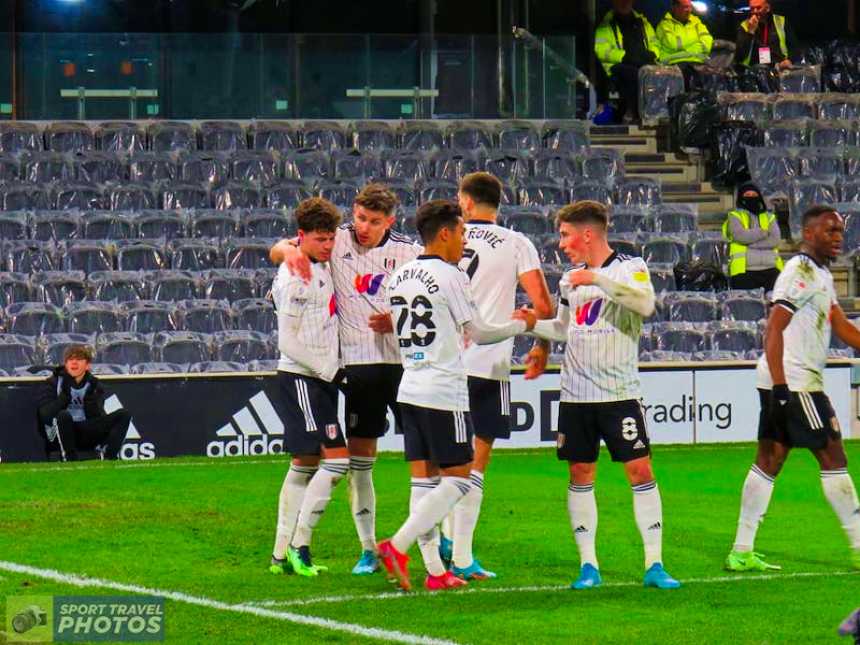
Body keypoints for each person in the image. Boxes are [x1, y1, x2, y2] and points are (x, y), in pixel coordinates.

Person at [515, 200, 680, 590]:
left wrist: (599, 281)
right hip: (576, 394)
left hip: (620, 393)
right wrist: (532, 326)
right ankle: (589, 566)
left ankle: (654, 564)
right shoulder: (569, 279)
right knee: (580, 472)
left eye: (566, 234)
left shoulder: (630, 266)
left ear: (587, 234)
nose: (561, 243)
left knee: (640, 470)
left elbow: (645, 304)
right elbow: (564, 329)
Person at [376, 200, 535, 592]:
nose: (464, 240)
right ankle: (397, 545)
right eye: (462, 232)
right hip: (444, 390)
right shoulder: (450, 275)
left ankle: (434, 572)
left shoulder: (401, 274)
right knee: (460, 480)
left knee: (424, 483)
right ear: (444, 233)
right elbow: (478, 333)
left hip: (409, 387)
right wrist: (520, 323)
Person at [269, 183, 420, 576]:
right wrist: (286, 251)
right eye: (359, 218)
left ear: (390, 220)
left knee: (429, 460)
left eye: (373, 221)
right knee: (358, 463)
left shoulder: (409, 251)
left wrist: (398, 319)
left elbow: (434, 299)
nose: (363, 227)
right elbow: (285, 247)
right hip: (358, 368)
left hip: (406, 365)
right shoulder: (335, 242)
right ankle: (368, 548)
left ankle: (443, 548)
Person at [726, 206, 860, 572]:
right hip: (795, 381)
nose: (837, 238)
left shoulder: (820, 274)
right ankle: (859, 544)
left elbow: (839, 324)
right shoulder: (798, 272)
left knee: (770, 460)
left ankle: (741, 549)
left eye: (840, 232)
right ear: (809, 232)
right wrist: (783, 387)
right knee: (834, 457)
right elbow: (773, 329)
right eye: (830, 231)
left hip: (782, 379)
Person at [436, 172, 554, 580]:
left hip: (445, 364)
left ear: (466, 203)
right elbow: (541, 304)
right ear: (497, 203)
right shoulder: (516, 242)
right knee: (476, 462)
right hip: (488, 364)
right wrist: (541, 346)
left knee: (444, 462)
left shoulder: (445, 238)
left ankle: (442, 544)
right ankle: (463, 557)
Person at [268, 197, 350, 578]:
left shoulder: (314, 262)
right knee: (337, 461)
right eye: (321, 240)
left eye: (331, 238)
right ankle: (300, 545)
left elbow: (280, 248)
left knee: (304, 464)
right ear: (302, 237)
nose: (329, 246)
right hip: (303, 377)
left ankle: (280, 555)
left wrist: (286, 249)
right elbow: (287, 341)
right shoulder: (296, 275)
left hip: (318, 377)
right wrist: (330, 370)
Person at [37, 345, 131, 462]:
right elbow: (45, 415)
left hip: (86, 429)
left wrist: (90, 403)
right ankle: (69, 458)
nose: (74, 363)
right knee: (63, 416)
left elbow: (98, 417)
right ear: (66, 364)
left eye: (79, 359)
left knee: (124, 415)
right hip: (61, 432)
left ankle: (109, 456)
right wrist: (63, 398)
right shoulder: (53, 383)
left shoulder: (94, 385)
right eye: (70, 360)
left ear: (87, 365)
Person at [594, 0, 662, 123]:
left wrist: (652, 54)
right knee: (633, 74)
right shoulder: (606, 25)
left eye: (627, 0)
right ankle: (633, 113)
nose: (624, 3)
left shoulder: (643, 23)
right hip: (616, 66)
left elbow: (655, 43)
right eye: (621, 1)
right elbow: (601, 50)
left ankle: (657, 114)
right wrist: (624, 56)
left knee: (661, 74)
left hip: (642, 63)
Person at [722, 182, 783, 291]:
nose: (751, 198)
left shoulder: (770, 217)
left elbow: (775, 239)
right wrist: (762, 232)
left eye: (754, 195)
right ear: (741, 198)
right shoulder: (734, 216)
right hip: (744, 271)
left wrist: (750, 244)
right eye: (747, 195)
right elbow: (740, 236)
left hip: (771, 269)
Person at [655, 0, 713, 88]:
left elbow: (707, 44)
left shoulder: (697, 23)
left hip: (698, 64)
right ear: (675, 8)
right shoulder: (664, 25)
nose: (689, 10)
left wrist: (684, 44)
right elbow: (673, 44)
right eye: (685, 7)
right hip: (675, 65)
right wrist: (696, 41)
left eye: (690, 7)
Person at [734, 0, 793, 69]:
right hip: (753, 70)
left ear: (767, 8)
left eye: (758, 8)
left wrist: (789, 60)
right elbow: (738, 57)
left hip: (780, 67)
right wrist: (750, 32)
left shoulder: (780, 21)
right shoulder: (745, 25)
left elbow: (794, 48)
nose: (755, 11)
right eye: (752, 8)